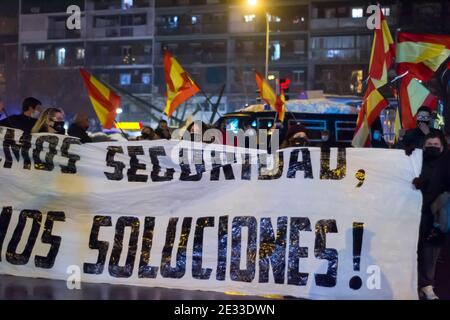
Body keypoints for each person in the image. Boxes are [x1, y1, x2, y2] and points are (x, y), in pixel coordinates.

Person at [412, 131, 448, 299]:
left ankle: (427, 285)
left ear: (442, 147)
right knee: (412, 250)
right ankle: (412, 284)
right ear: (423, 146)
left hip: (436, 215)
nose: (432, 148)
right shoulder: (415, 161)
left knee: (430, 252)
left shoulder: (447, 163)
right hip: (412, 214)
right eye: (429, 145)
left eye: (436, 145)